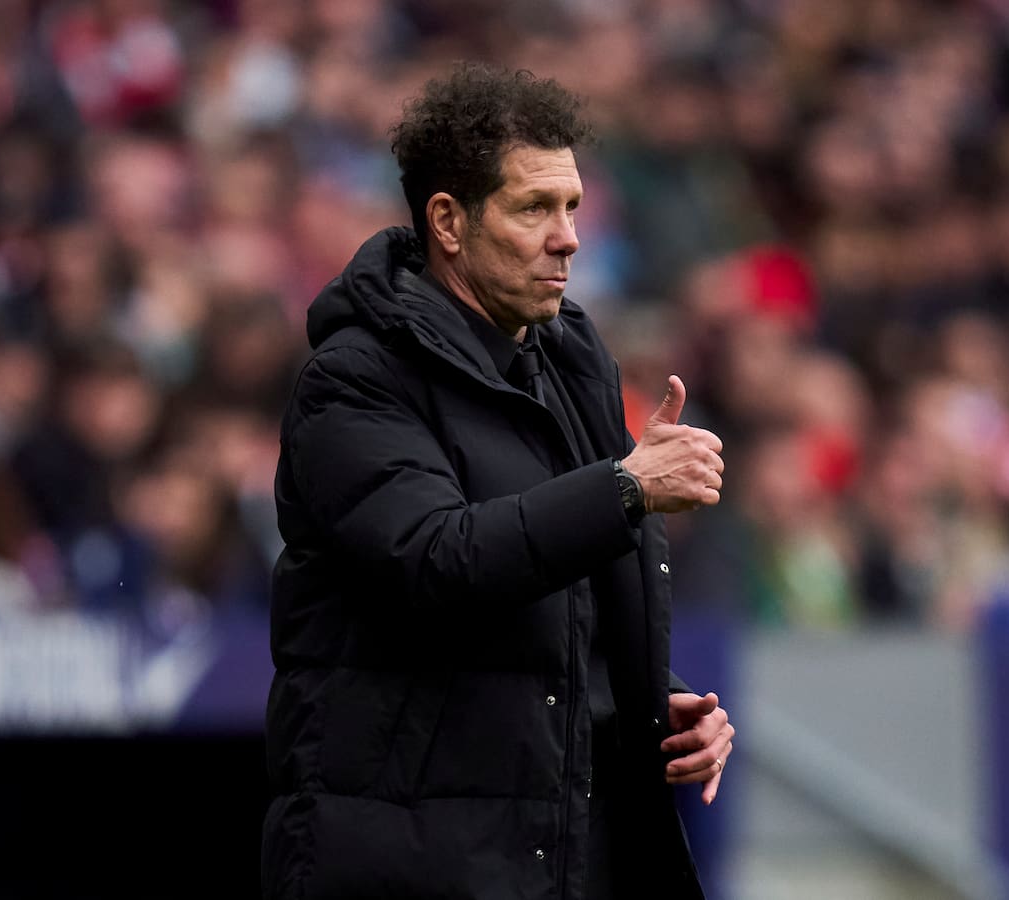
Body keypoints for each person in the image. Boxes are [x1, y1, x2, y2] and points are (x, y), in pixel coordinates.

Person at [261, 62, 734, 900]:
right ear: (448, 220)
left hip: (554, 858)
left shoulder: (573, 362)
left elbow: (561, 598)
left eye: (573, 207)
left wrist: (644, 700)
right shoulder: (355, 378)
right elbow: (434, 560)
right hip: (408, 865)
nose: (569, 237)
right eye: (534, 208)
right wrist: (625, 488)